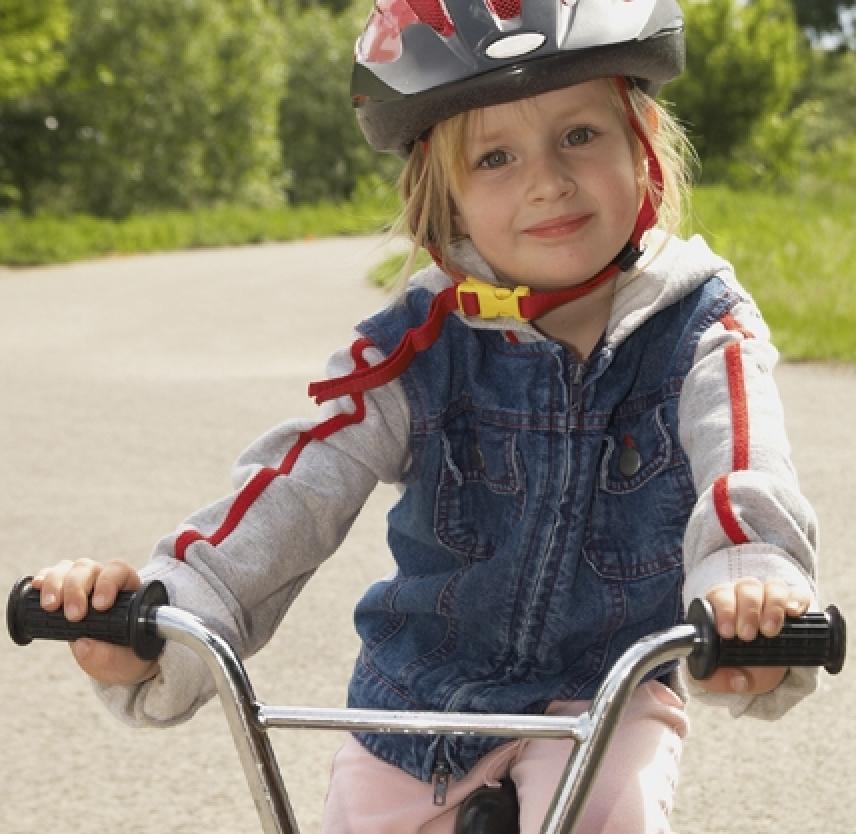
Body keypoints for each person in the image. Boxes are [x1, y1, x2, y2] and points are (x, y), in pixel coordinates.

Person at [32, 1, 819, 832]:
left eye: (580, 135)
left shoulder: (706, 331)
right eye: (495, 157)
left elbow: (745, 468)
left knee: (607, 813)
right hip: (413, 703)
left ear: (644, 144)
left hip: (604, 701)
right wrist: (174, 609)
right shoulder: (413, 345)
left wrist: (749, 588)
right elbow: (296, 485)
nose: (547, 180)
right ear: (443, 200)